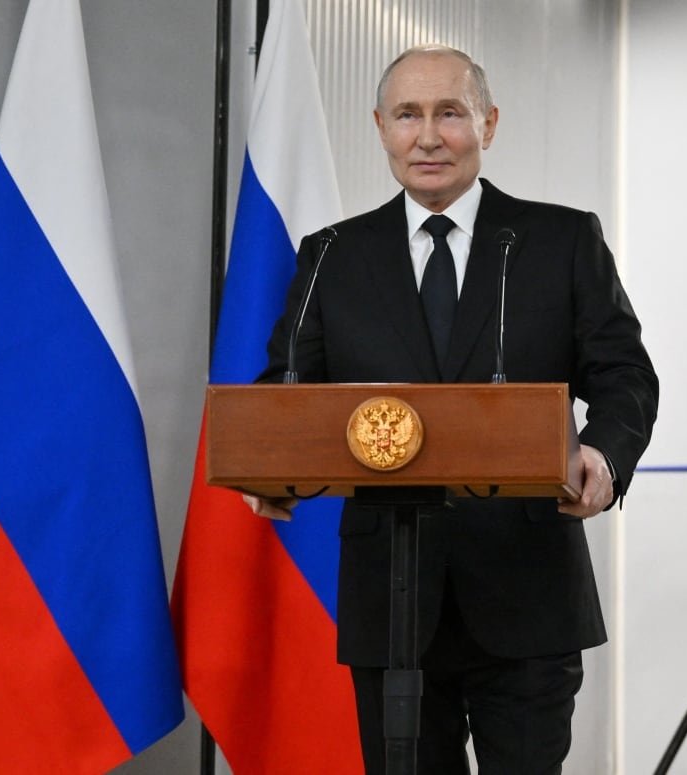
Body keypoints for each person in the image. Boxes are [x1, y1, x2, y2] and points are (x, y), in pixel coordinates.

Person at [246, 44, 658, 773]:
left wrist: (602, 453)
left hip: (529, 589)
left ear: (489, 124)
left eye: (450, 113)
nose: (428, 136)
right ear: (380, 127)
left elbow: (625, 374)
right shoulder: (333, 255)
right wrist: (269, 466)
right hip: (393, 599)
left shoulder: (561, 241)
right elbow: (285, 388)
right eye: (408, 114)